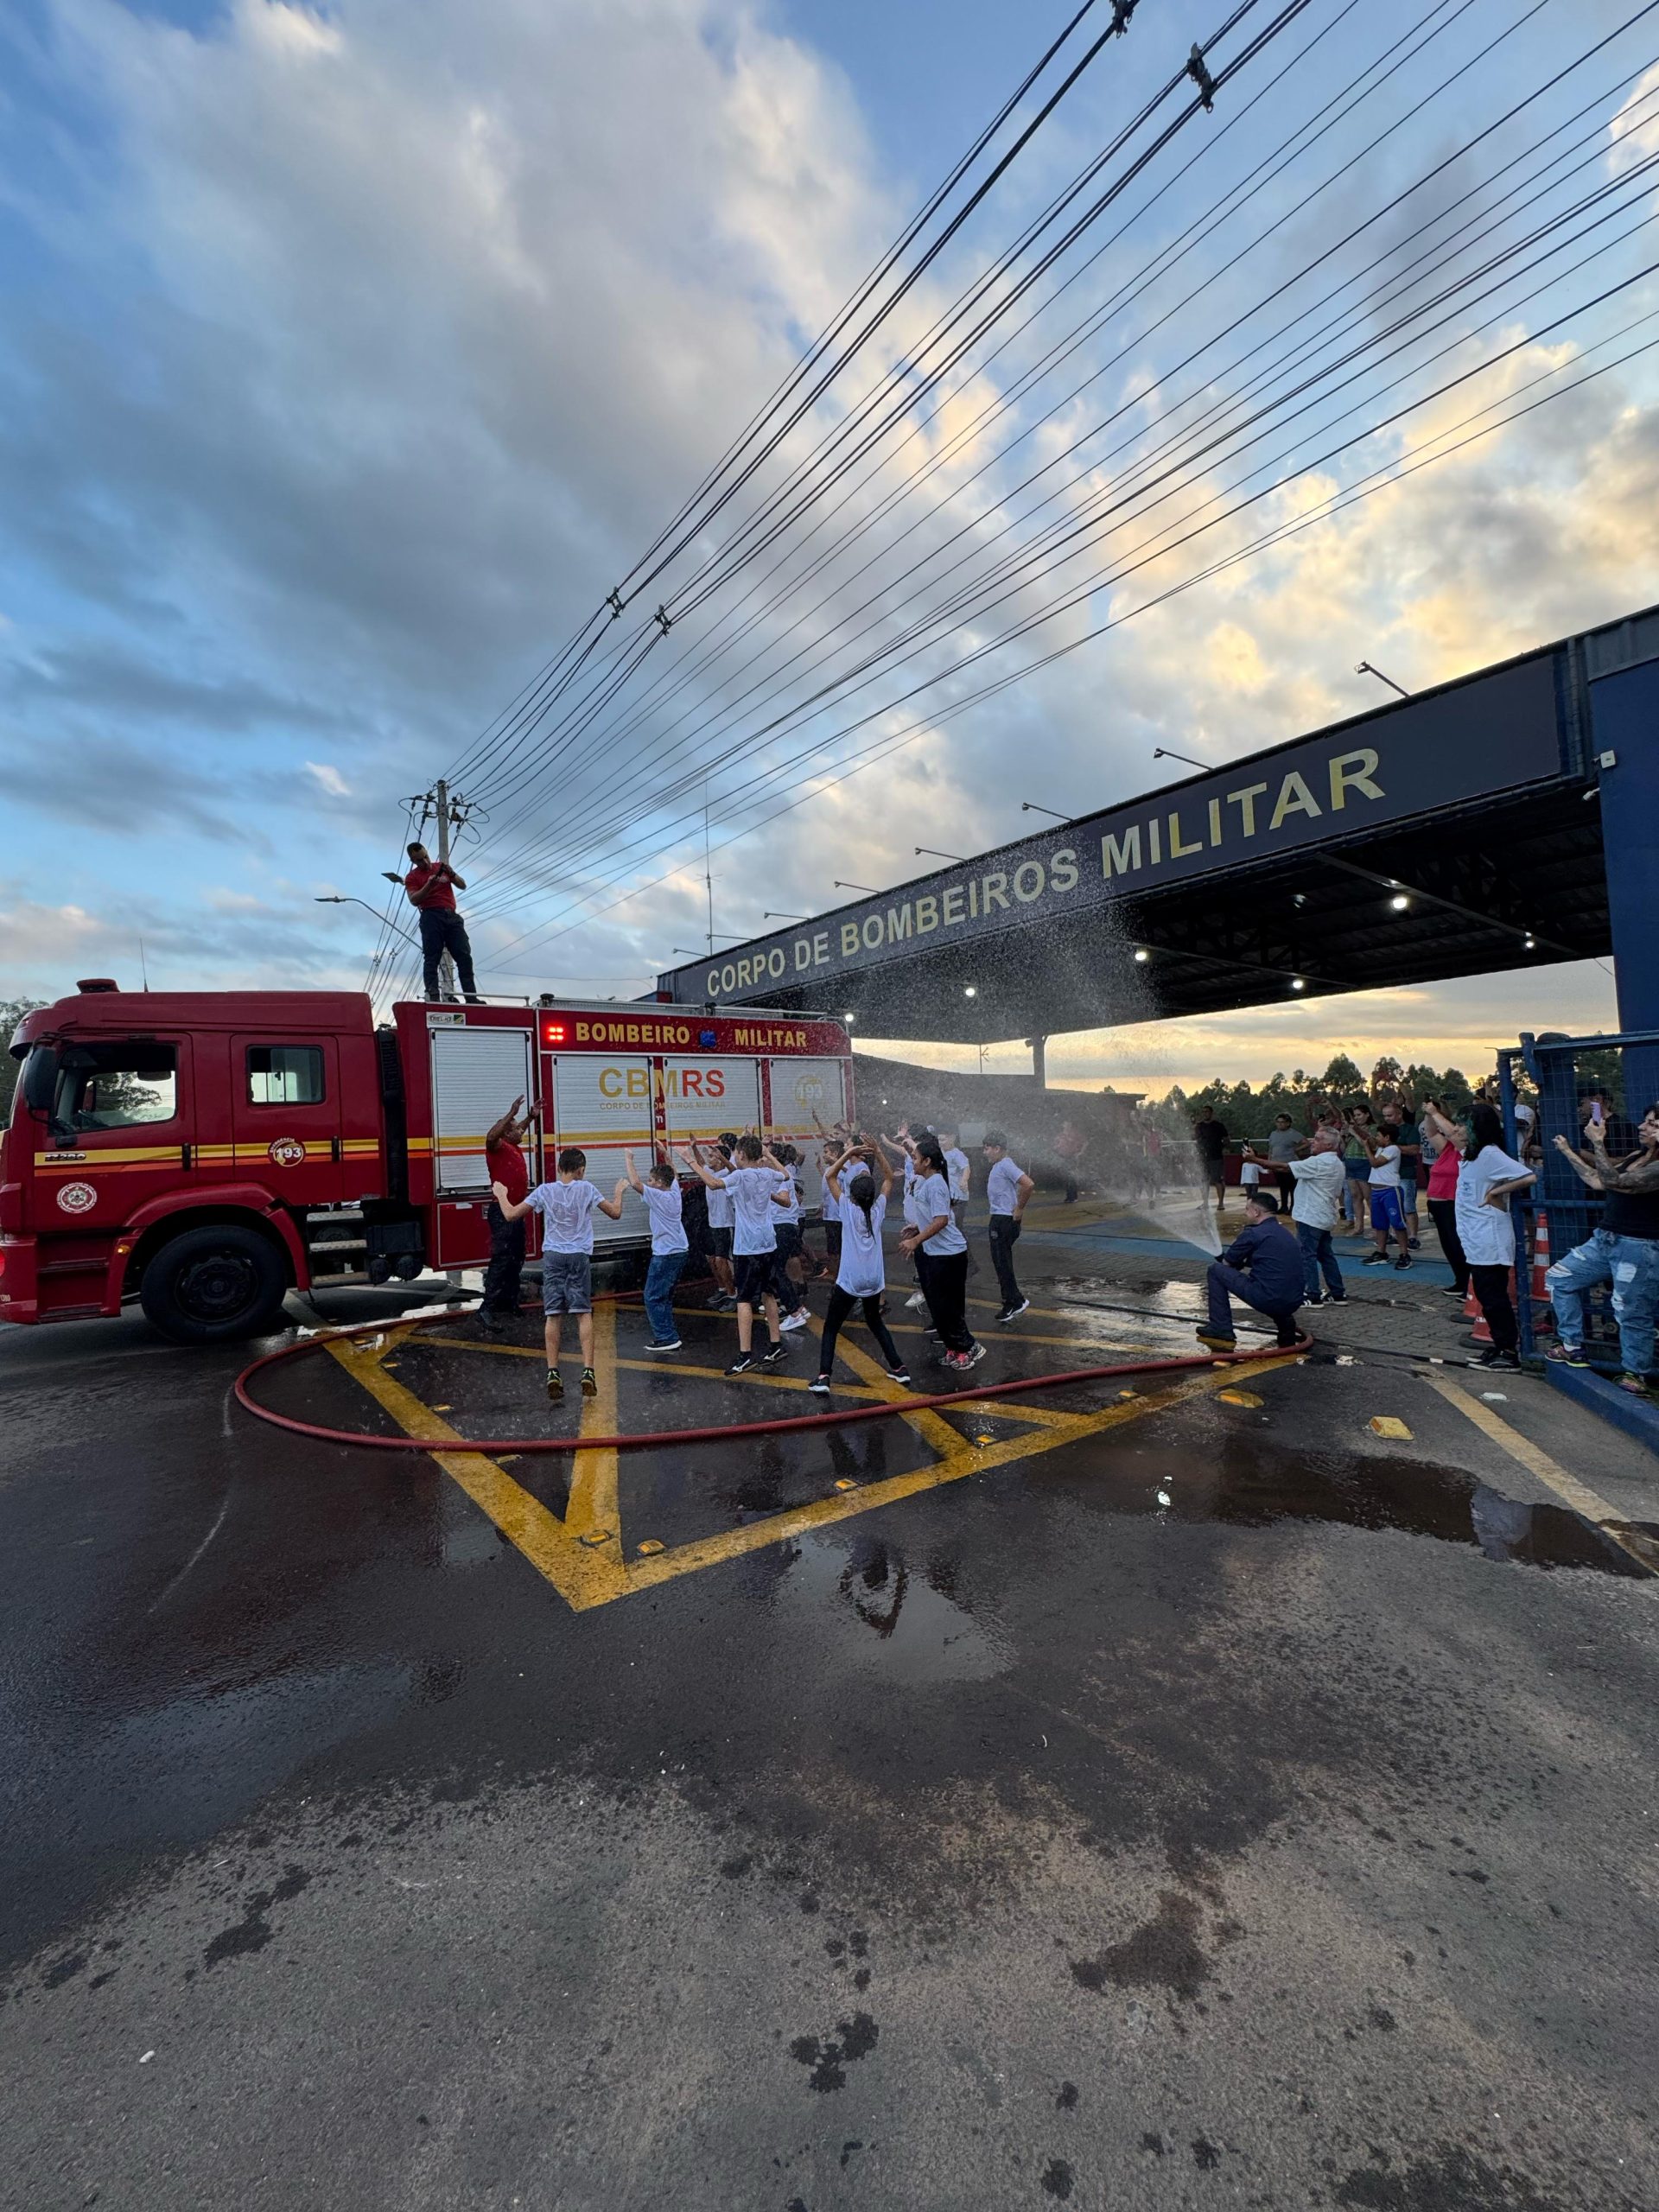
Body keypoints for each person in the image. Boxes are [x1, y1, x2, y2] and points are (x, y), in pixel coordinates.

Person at [491, 1146, 624, 1401]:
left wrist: (501, 1194)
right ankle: (588, 1371)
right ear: (581, 1170)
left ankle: (553, 1372)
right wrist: (619, 1192)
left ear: (559, 1167)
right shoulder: (587, 1189)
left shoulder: (544, 1190)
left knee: (554, 1315)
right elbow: (615, 1213)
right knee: (583, 1313)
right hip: (578, 1257)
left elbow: (510, 1214)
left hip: (553, 1256)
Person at [1546, 1101, 1659, 1395]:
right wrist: (1568, 1151)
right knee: (1560, 1278)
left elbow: (1614, 1180)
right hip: (1606, 1238)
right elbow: (1598, 1181)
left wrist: (1598, 1142)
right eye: (1646, 1121)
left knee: (1631, 1310)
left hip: (1638, 1245)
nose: (1642, 1127)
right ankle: (1572, 1346)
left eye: (1653, 1125)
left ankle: (1637, 1373)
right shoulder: (1640, 1155)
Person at [679, 1133, 791, 1374]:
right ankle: (775, 1345)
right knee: (768, 1295)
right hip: (767, 1242)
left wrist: (691, 1162)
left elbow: (713, 1183)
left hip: (748, 1246)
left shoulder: (740, 1176)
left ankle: (745, 1355)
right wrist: (769, 1155)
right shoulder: (766, 1173)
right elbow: (785, 1175)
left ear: (740, 1154)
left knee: (743, 1301)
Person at [811, 1144, 912, 1393]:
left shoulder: (847, 1207)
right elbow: (889, 1178)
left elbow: (830, 1175)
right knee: (875, 1321)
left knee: (831, 1327)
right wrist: (877, 1152)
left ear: (852, 1195)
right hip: (874, 1279)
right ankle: (899, 1368)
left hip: (850, 1280)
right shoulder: (877, 1209)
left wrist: (847, 1153)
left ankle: (824, 1377)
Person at [1452, 1102, 1536, 1372]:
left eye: (1462, 1124)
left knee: (1494, 1296)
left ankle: (1509, 1351)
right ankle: (1500, 1346)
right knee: (1487, 1297)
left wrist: (1496, 1193)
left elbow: (1528, 1176)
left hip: (1489, 1236)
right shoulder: (1470, 1156)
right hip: (1475, 1238)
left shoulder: (1489, 1154)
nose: (1457, 1129)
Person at [900, 1135, 983, 1370]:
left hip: (949, 1255)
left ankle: (968, 1348)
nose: (913, 1162)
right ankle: (953, 1348)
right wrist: (917, 1226)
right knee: (937, 1305)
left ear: (927, 1161)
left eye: (915, 1158)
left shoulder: (936, 1183)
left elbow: (942, 1220)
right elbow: (935, 1215)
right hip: (934, 1253)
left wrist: (916, 1240)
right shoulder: (927, 1183)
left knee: (949, 1306)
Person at [1196, 1188, 1305, 1350]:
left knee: (1215, 1271)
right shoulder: (1285, 1233)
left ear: (1256, 1212)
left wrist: (1226, 1259)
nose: (1245, 1213)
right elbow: (1269, 1264)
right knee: (1274, 1282)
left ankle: (1220, 1328)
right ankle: (1285, 1322)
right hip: (1293, 1301)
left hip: (1269, 1299)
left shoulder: (1252, 1234)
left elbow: (1227, 1265)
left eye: (1247, 1209)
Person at [476, 1093, 539, 1335]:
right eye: (515, 1129)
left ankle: (508, 1302)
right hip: (501, 1212)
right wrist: (511, 1113)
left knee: (516, 1257)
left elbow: (517, 1129)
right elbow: (492, 1135)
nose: (520, 1132)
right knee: (502, 1259)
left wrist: (529, 1117)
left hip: (515, 1211)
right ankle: (487, 1309)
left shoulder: (511, 1144)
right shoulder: (496, 1147)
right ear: (506, 1134)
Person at [620, 1148, 689, 1352]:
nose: (649, 1183)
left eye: (652, 1180)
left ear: (660, 1184)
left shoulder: (659, 1196)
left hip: (665, 1254)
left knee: (652, 1296)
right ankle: (668, 1334)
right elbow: (674, 1174)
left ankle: (666, 1337)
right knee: (664, 1296)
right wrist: (666, 1156)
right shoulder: (673, 1192)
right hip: (679, 1250)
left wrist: (628, 1159)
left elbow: (636, 1184)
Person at [402, 841, 482, 1004]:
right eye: (419, 860)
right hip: (431, 916)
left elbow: (462, 885)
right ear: (413, 861)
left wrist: (452, 875)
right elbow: (414, 900)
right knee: (432, 956)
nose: (425, 862)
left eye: (426, 857)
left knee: (464, 955)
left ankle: (471, 997)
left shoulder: (441, 867)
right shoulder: (412, 877)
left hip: (451, 916)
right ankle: (433, 995)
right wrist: (429, 885)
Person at [1286, 1127, 1348, 1306]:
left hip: (1311, 1216)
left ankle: (1312, 1294)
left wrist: (1254, 1160)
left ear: (1329, 1145)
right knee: (1326, 1255)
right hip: (1324, 1216)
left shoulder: (1319, 1163)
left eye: (1318, 1139)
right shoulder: (1336, 1163)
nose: (1313, 1141)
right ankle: (1338, 1293)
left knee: (1307, 1255)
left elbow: (1284, 1167)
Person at [1420, 1099, 1472, 1302]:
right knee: (1448, 1244)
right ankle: (1460, 1281)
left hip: (1453, 1201)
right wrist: (1428, 1112)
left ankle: (1468, 1283)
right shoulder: (1448, 1149)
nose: (1457, 1129)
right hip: (1438, 1201)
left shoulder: (1466, 1149)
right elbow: (1431, 1133)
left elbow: (1452, 1134)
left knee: (1458, 1243)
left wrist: (1435, 1113)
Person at [982, 1129, 1033, 1322]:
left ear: (998, 1148)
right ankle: (1012, 1300)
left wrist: (1019, 1209)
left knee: (1002, 1263)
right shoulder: (999, 1166)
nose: (985, 1152)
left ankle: (1014, 1302)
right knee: (1000, 1262)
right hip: (999, 1218)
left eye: (987, 1148)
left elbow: (1028, 1184)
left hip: (1003, 1220)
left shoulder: (1005, 1165)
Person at [1353, 1112, 1412, 1270]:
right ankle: (1381, 1252)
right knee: (1379, 1224)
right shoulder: (1381, 1147)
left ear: (1387, 1137)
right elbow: (1369, 1139)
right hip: (1377, 1191)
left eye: (1379, 1135)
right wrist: (1356, 1128)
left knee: (1397, 1223)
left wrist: (1366, 1147)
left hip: (1390, 1190)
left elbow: (1375, 1163)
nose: (1377, 1138)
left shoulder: (1393, 1149)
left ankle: (1404, 1254)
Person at [766, 1141, 811, 1331]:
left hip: (782, 1227)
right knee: (777, 1269)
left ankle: (795, 1310)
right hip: (784, 1226)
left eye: (766, 1155)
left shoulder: (781, 1175)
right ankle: (796, 1307)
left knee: (776, 1271)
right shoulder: (779, 1173)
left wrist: (767, 1195)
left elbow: (783, 1200)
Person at [696, 1134, 739, 1310]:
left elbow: (733, 1169)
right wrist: (692, 1149)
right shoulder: (711, 1171)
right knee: (712, 1258)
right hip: (713, 1222)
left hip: (726, 1223)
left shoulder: (727, 1175)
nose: (709, 1158)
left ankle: (734, 1294)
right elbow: (700, 1165)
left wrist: (722, 1155)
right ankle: (723, 1288)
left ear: (721, 1160)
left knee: (723, 1260)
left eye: (713, 1156)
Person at [1382, 1098, 1422, 1248]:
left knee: (1408, 1206)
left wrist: (1394, 1147)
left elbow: (1414, 1149)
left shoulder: (1410, 1130)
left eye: (1390, 1115)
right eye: (1385, 1116)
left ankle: (1412, 1237)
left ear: (1399, 1114)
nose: (1387, 1119)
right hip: (1388, 1174)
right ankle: (1393, 1234)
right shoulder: (1383, 1131)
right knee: (1391, 1205)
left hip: (1405, 1172)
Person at [939, 1124, 977, 1274]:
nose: (941, 1142)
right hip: (949, 1198)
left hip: (958, 1198)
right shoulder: (942, 1153)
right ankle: (960, 1262)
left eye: (943, 1139)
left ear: (952, 1138)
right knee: (953, 1229)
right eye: (939, 1140)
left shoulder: (956, 1154)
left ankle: (969, 1264)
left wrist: (964, 1180)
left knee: (957, 1230)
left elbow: (966, 1168)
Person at [1340, 1105, 1374, 1237]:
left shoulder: (1371, 1128)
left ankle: (1376, 1227)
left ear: (1367, 1115)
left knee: (1368, 1197)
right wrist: (1344, 1137)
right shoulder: (1352, 1130)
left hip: (1363, 1163)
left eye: (1359, 1115)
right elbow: (1344, 1149)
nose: (1356, 1118)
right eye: (1355, 1116)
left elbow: (1368, 1144)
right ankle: (1358, 1226)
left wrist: (1355, 1132)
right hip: (1350, 1164)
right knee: (1355, 1196)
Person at [1192, 1105, 1229, 1214]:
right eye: (1203, 1112)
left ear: (1211, 1113)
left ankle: (1220, 1203)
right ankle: (1205, 1202)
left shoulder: (1218, 1126)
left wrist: (1222, 1147)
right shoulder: (1199, 1126)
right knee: (1204, 1180)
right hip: (1203, 1156)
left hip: (1216, 1156)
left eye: (1207, 1112)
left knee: (1217, 1180)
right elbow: (1196, 1138)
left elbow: (1227, 1139)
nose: (1205, 1114)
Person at [1265, 1112, 1301, 1200]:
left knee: (1292, 1186)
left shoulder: (1293, 1133)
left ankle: (1293, 1206)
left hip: (1289, 1163)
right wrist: (1269, 1163)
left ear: (1288, 1123)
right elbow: (1271, 1149)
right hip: (1276, 1163)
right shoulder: (1273, 1134)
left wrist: (1295, 1150)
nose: (1280, 1124)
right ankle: (1283, 1206)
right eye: (1278, 1122)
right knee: (1282, 1186)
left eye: (1282, 1122)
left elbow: (1306, 1143)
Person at [1054, 1116, 1088, 1203]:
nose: (1067, 1125)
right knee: (1066, 1177)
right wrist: (1057, 1150)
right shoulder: (1060, 1135)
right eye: (1065, 1123)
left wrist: (1080, 1153)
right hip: (1063, 1157)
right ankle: (1069, 1196)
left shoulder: (1075, 1134)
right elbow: (1056, 1145)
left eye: (1068, 1123)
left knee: (1071, 1176)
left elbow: (1085, 1142)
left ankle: (1074, 1196)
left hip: (1072, 1157)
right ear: (1063, 1125)